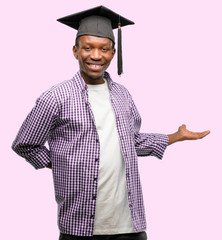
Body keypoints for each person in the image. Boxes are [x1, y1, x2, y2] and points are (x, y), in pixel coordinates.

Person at [12, 5, 210, 240]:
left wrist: (175, 137)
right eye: (88, 48)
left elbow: (131, 142)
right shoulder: (55, 97)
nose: (96, 55)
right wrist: (62, 164)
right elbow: (24, 144)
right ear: (75, 51)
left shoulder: (123, 95)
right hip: (79, 225)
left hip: (129, 224)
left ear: (113, 53)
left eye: (103, 49)